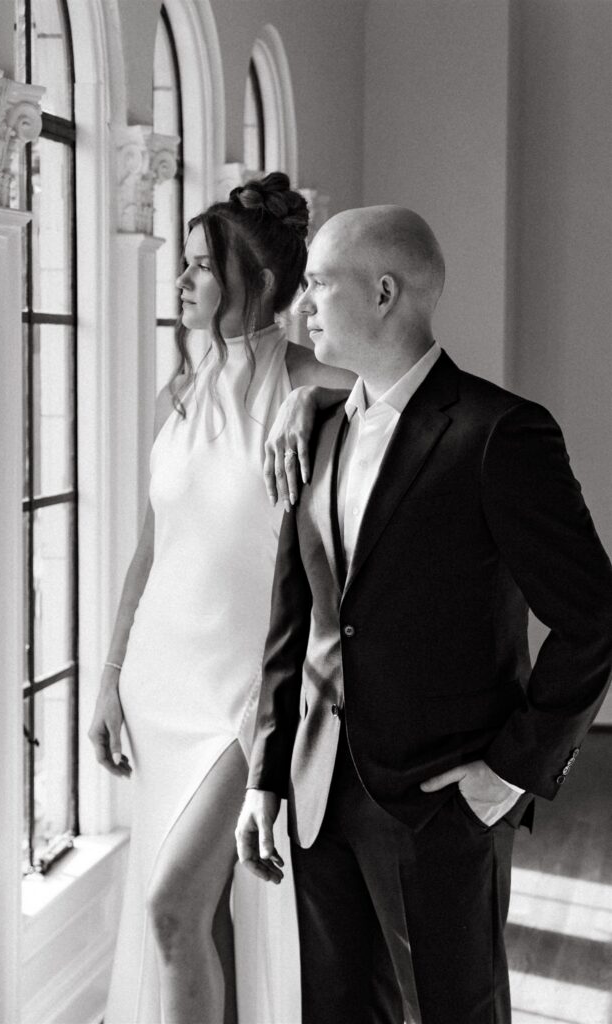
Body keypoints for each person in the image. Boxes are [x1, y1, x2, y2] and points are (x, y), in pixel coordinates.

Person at [236, 205, 612, 1024]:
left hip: (440, 800)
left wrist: (511, 770)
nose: (299, 306)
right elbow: (291, 614)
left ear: (381, 292)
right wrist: (267, 773)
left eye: (316, 284)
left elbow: (593, 616)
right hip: (316, 789)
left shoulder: (498, 434)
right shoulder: (317, 428)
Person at [88, 172, 353, 1024]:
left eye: (202, 265)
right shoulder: (178, 393)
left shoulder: (314, 384)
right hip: (161, 686)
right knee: (202, 918)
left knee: (173, 907)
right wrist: (108, 678)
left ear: (263, 282)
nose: (182, 281)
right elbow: (148, 550)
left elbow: (408, 400)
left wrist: (311, 396)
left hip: (248, 696)